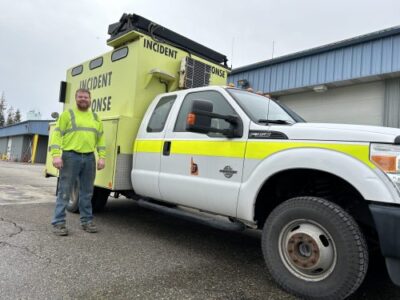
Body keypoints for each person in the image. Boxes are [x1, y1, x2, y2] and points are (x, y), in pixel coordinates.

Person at [49, 88, 106, 236]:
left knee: (87, 192)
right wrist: (56, 155)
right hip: (70, 156)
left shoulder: (95, 117)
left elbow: (100, 139)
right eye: (80, 97)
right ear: (76, 99)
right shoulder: (67, 115)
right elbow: (56, 135)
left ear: (90, 99)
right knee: (65, 191)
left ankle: (86, 221)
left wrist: (102, 157)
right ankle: (58, 223)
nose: (83, 99)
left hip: (89, 158)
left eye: (86, 97)